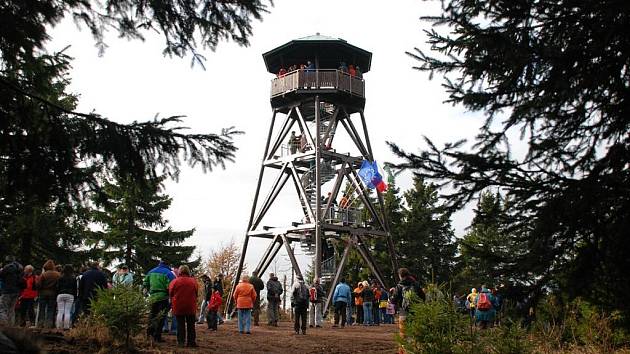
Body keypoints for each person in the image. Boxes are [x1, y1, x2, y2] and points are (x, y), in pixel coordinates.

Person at [393, 268, 425, 354]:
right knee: (414, 334)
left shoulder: (399, 286)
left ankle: (402, 352)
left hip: (403, 313)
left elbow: (393, 300)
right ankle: (413, 351)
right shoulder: (416, 284)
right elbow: (423, 297)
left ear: (400, 276)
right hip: (415, 313)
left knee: (403, 335)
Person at [144, 260, 175, 342]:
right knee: (161, 317)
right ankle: (157, 337)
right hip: (163, 297)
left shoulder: (151, 271)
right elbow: (172, 286)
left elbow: (145, 283)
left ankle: (149, 334)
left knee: (152, 316)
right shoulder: (169, 273)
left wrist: (149, 290)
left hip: (153, 297)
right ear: (167, 265)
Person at [168, 265, 198, 347]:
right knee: (191, 325)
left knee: (180, 324)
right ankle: (191, 342)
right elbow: (196, 293)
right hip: (190, 306)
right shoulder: (193, 281)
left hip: (178, 306)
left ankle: (181, 342)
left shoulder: (175, 281)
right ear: (188, 271)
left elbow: (170, 293)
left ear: (180, 271)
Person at [0, 255, 23, 326]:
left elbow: (2, 276)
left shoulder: (7, 268)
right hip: (16, 291)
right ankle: (11, 324)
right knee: (12, 309)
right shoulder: (19, 268)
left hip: (7, 290)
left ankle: (4, 324)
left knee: (3, 308)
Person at [37, 259, 60, 328]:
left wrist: (39, 290)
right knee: (51, 309)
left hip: (43, 293)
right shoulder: (57, 274)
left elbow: (39, 285)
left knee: (42, 309)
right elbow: (58, 285)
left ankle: (40, 323)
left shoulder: (43, 274)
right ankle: (49, 324)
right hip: (53, 294)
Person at [56, 264, 76, 330]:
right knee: (67, 311)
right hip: (70, 295)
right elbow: (75, 288)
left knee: (60, 311)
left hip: (61, 294)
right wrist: (75, 297)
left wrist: (57, 294)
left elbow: (57, 287)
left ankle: (59, 326)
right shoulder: (73, 278)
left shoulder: (60, 277)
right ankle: (66, 326)